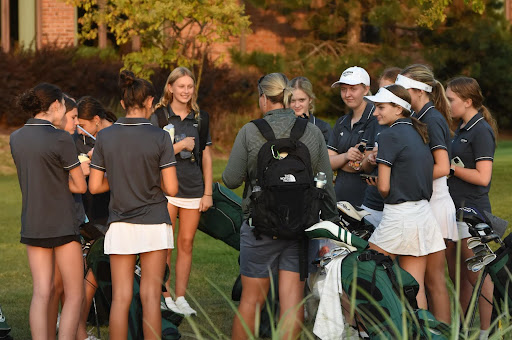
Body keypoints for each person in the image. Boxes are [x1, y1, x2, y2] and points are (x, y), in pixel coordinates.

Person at [223, 73, 339, 340]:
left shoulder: (250, 132)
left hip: (259, 229)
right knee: (291, 304)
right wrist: (330, 220)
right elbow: (325, 180)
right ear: (287, 96)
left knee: (251, 302)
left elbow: (230, 179)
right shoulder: (310, 132)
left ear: (263, 98)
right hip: (299, 229)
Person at [89, 70, 178, 339]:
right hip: (153, 222)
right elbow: (172, 188)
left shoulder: (105, 137)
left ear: (124, 102)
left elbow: (94, 186)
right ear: (150, 101)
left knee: (121, 297)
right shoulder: (161, 137)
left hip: (120, 223)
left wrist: (118, 179)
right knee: (151, 296)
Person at [10, 83, 87, 339]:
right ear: (54, 105)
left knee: (41, 293)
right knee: (75, 293)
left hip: (33, 222)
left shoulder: (16, 137)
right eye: (64, 107)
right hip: (62, 223)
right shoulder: (61, 138)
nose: (65, 113)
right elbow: (79, 185)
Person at [365, 84, 445, 309]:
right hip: (422, 214)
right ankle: (422, 332)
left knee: (364, 272)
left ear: (398, 108)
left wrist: (381, 184)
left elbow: (382, 187)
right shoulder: (418, 130)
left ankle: (360, 330)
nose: (375, 112)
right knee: (414, 285)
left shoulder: (388, 134)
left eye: (380, 107)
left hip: (400, 216)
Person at [151, 66, 213, 316]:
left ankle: (181, 297)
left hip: (193, 188)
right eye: (181, 86)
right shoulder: (159, 117)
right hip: (165, 189)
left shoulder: (200, 118)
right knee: (165, 245)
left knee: (186, 243)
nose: (186, 91)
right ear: (170, 88)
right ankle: (164, 295)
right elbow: (152, 155)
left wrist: (208, 192)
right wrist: (179, 146)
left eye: (190, 87)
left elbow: (206, 156)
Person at [395, 64, 454, 323]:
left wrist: (403, 175)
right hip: (424, 203)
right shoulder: (419, 116)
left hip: (436, 205)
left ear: (419, 90)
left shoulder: (432, 119)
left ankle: (444, 331)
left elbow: (443, 167)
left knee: (434, 280)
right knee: (427, 280)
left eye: (404, 90)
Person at [446, 77, 497, 339]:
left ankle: (487, 332)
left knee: (476, 273)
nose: (447, 104)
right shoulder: (463, 127)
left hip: (473, 212)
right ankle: (466, 329)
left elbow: (483, 177)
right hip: (454, 209)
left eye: (451, 99)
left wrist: (452, 169)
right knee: (460, 275)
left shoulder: (481, 130)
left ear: (468, 101)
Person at [327, 66, 377, 206]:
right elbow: (328, 162)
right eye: (343, 89)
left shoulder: (376, 118)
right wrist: (346, 156)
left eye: (353, 89)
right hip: (340, 199)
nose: (347, 94)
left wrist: (339, 161)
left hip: (366, 203)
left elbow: (363, 165)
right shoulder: (341, 121)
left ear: (366, 89)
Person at [360, 67, 402, 227]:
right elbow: (363, 166)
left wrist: (387, 154)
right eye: (380, 90)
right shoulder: (377, 122)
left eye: (388, 90)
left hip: (396, 204)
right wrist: (371, 159)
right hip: (372, 203)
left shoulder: (409, 126)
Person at [76, 96, 116, 227]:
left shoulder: (119, 134)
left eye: (82, 126)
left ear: (96, 120)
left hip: (116, 202)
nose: (79, 131)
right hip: (92, 206)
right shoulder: (79, 140)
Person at [289, 76, 333, 144]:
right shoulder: (282, 126)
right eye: (293, 101)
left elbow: (329, 154)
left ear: (310, 99)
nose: (297, 105)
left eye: (301, 100)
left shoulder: (323, 128)